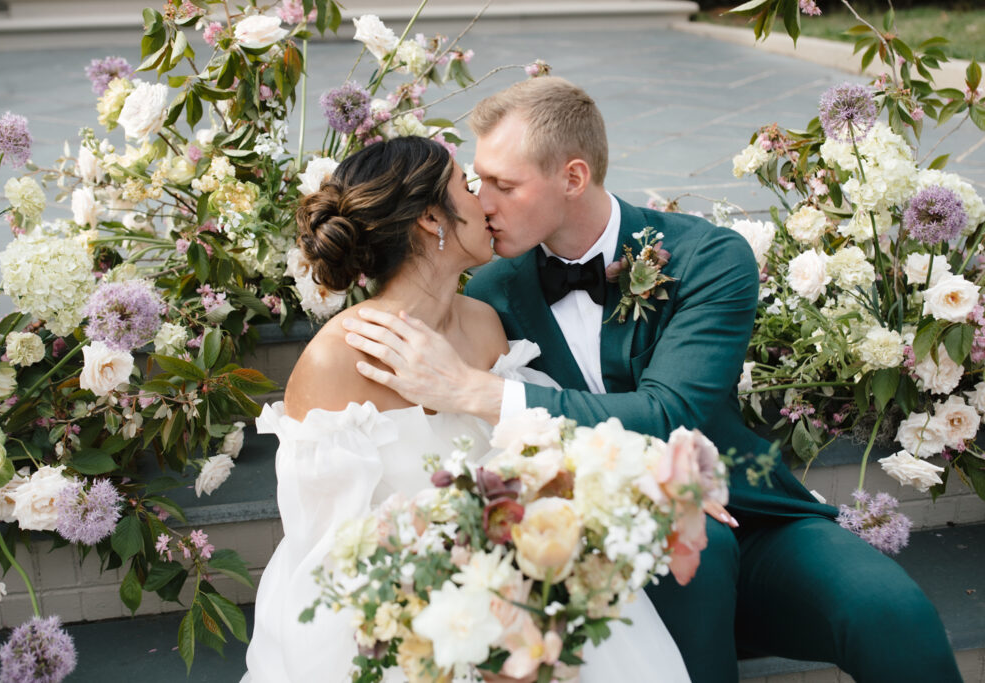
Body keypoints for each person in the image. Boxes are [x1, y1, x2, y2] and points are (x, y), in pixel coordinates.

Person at [341, 77, 962, 682]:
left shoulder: (708, 257)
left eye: (504, 184)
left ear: (573, 177)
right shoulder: (495, 290)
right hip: (621, 537)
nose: (482, 202)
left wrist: (474, 391)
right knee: (686, 561)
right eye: (478, 182)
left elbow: (671, 415)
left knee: (892, 613)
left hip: (755, 521)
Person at [241, 136, 693, 683]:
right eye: (467, 185)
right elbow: (329, 553)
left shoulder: (484, 322)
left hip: (520, 583)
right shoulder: (335, 362)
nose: (484, 201)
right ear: (433, 218)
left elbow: (528, 459)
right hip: (395, 617)